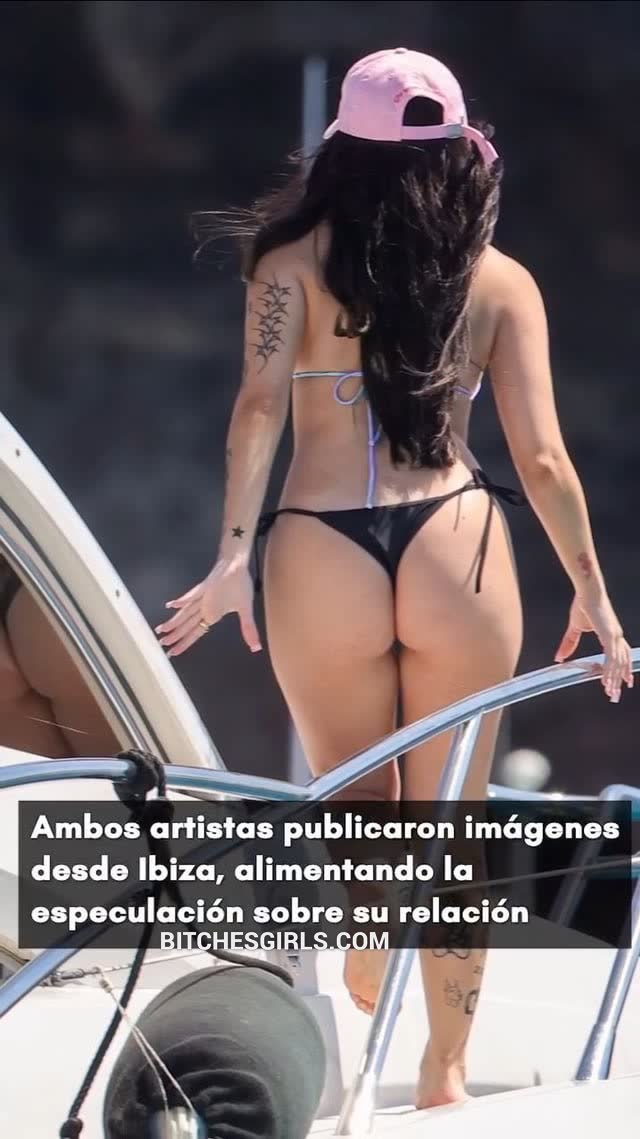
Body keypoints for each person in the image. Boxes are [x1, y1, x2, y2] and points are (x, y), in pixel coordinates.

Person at [156, 49, 633, 1108]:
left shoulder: (286, 263)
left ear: (340, 151)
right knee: (453, 817)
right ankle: (443, 1070)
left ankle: (371, 945)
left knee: (360, 800)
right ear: (459, 154)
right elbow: (543, 460)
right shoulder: (500, 282)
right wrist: (593, 595)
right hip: (455, 539)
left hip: (321, 542)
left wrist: (231, 556)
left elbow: (257, 410)